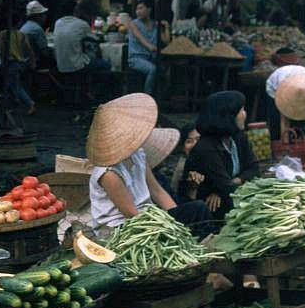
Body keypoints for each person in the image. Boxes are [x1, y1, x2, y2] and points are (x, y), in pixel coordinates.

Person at [86, 93, 214, 240]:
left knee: (198, 209)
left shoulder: (137, 154)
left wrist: (176, 219)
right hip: (122, 228)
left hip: (148, 218)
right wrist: (168, 228)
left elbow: (157, 191)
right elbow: (131, 215)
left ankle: (206, 243)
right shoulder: (108, 173)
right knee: (171, 235)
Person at [185, 91, 259, 221]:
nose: (244, 114)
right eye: (241, 110)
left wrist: (229, 184)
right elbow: (226, 187)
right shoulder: (205, 148)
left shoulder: (238, 137)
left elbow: (254, 169)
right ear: (228, 116)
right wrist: (225, 188)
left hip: (228, 198)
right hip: (208, 209)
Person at [264, 64, 305, 141]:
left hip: (300, 87)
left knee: (301, 116)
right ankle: (280, 141)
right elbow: (283, 109)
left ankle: (299, 138)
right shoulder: (282, 81)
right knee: (277, 118)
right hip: (275, 88)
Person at [127, 0, 170, 95]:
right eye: (137, 9)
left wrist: (166, 27)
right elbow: (141, 39)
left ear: (149, 9)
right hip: (137, 58)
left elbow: (166, 41)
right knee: (153, 69)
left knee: (168, 70)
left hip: (152, 58)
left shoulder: (155, 24)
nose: (138, 11)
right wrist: (151, 47)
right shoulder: (134, 24)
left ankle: (162, 95)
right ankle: (148, 96)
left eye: (141, 8)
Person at [54, 6, 111, 75]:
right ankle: (97, 85)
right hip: (77, 66)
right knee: (107, 64)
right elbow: (95, 39)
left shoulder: (57, 23)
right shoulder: (81, 23)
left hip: (61, 66)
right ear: (76, 11)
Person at [0, 25, 36, 114]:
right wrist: (32, 61)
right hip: (21, 62)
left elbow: (3, 49)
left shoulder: (3, 33)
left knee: (15, 85)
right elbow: (29, 49)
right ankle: (13, 106)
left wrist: (3, 63)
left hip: (10, 62)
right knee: (12, 84)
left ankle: (30, 102)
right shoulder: (21, 34)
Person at [172, 123, 204, 203]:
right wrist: (193, 188)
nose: (195, 144)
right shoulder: (182, 168)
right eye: (189, 141)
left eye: (198, 139)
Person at [20, 0, 50, 67]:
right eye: (43, 14)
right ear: (38, 16)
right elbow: (45, 53)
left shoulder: (25, 26)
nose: (45, 16)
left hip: (24, 60)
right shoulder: (37, 29)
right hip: (34, 62)